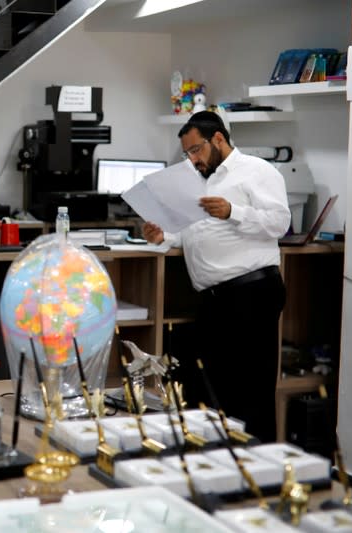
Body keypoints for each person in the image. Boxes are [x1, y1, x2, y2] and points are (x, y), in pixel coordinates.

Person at [142, 111, 290, 442]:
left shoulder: (255, 171)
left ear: (218, 139)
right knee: (213, 390)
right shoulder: (200, 181)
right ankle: (218, 468)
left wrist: (232, 211)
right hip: (216, 299)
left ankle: (259, 468)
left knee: (251, 391)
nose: (192, 159)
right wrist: (162, 237)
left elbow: (280, 223)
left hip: (252, 293)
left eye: (196, 150)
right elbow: (193, 233)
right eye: (187, 153)